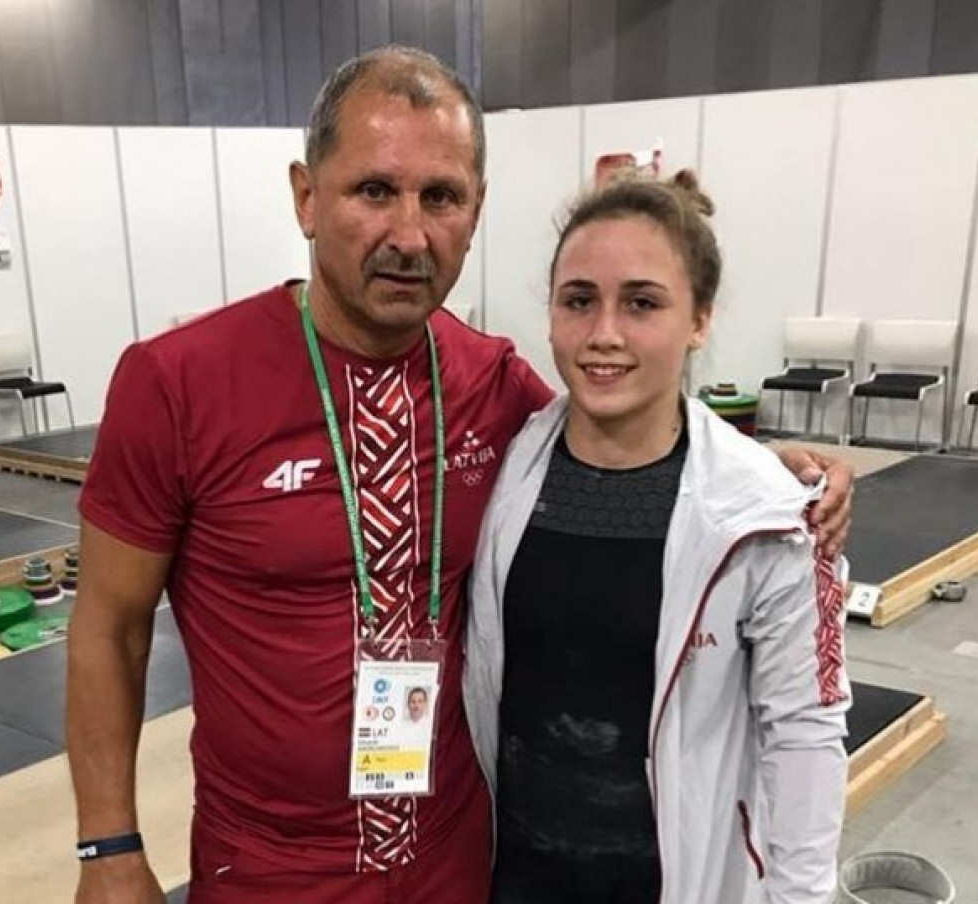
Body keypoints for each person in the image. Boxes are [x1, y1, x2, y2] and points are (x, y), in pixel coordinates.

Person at [66, 47, 853, 904]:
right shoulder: (176, 383)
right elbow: (110, 625)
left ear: (476, 210)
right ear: (306, 196)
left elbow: (623, 431)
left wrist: (759, 472)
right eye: (374, 191)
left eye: (440, 197)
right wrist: (109, 847)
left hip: (459, 858)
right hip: (271, 867)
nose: (410, 236)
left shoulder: (495, 383)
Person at [464, 171, 851, 904]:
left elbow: (805, 734)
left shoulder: (768, 519)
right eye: (579, 300)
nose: (604, 334)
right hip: (513, 880)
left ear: (699, 319)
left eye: (642, 303)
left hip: (679, 885)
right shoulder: (505, 463)